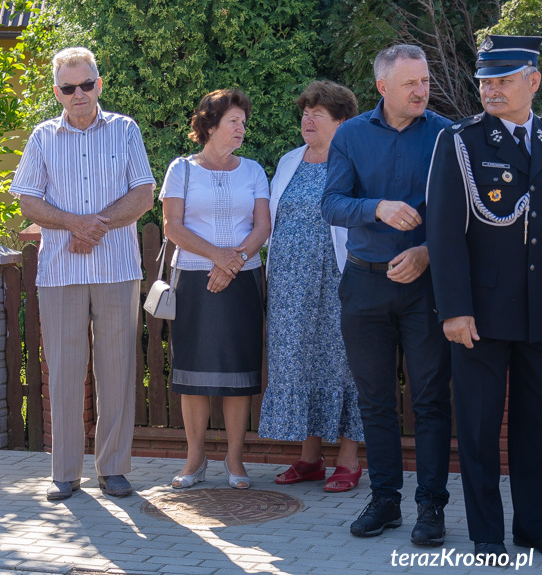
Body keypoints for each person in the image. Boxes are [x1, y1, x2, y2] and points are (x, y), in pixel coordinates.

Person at [321, 44, 453, 546]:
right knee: (375, 401)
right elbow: (332, 203)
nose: (421, 91)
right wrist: (377, 208)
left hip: (425, 287)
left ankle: (432, 507)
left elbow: (463, 212)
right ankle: (385, 502)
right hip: (364, 283)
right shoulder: (351, 135)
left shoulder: (446, 135)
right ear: (382, 88)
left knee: (430, 401)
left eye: (424, 81)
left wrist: (425, 252)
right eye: (410, 83)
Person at [10, 47, 155, 501]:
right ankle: (65, 473)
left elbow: (145, 194)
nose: (79, 94)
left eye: (86, 84)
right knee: (65, 373)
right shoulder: (42, 136)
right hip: (59, 271)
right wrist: (76, 224)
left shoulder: (126, 129)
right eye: (69, 87)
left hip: (117, 268)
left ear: (99, 84)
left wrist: (96, 226)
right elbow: (27, 200)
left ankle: (112, 469)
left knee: (116, 371)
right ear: (57, 92)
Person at [427, 35, 542, 559]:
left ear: (533, 81)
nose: (491, 89)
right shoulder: (461, 141)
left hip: (539, 310)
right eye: (485, 81)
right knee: (476, 428)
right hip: (479, 313)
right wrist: (453, 308)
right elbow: (445, 233)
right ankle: (487, 535)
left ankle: (533, 527)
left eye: (503, 79)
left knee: (535, 430)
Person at [159, 89, 270, 490]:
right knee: (193, 372)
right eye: (233, 122)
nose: (241, 128)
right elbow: (172, 227)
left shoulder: (254, 170)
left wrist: (233, 261)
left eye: (243, 121)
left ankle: (236, 461)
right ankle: (194, 459)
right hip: (192, 278)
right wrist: (217, 257)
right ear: (209, 126)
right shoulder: (180, 169)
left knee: (239, 372)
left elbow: (262, 227)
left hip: (243, 278)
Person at [259, 81, 364, 492]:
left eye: (318, 113)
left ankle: (349, 460)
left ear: (342, 122)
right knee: (298, 362)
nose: (308, 119)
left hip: (339, 279)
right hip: (290, 286)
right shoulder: (288, 161)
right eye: (305, 112)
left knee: (343, 363)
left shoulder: (354, 161)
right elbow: (270, 221)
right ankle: (309, 458)